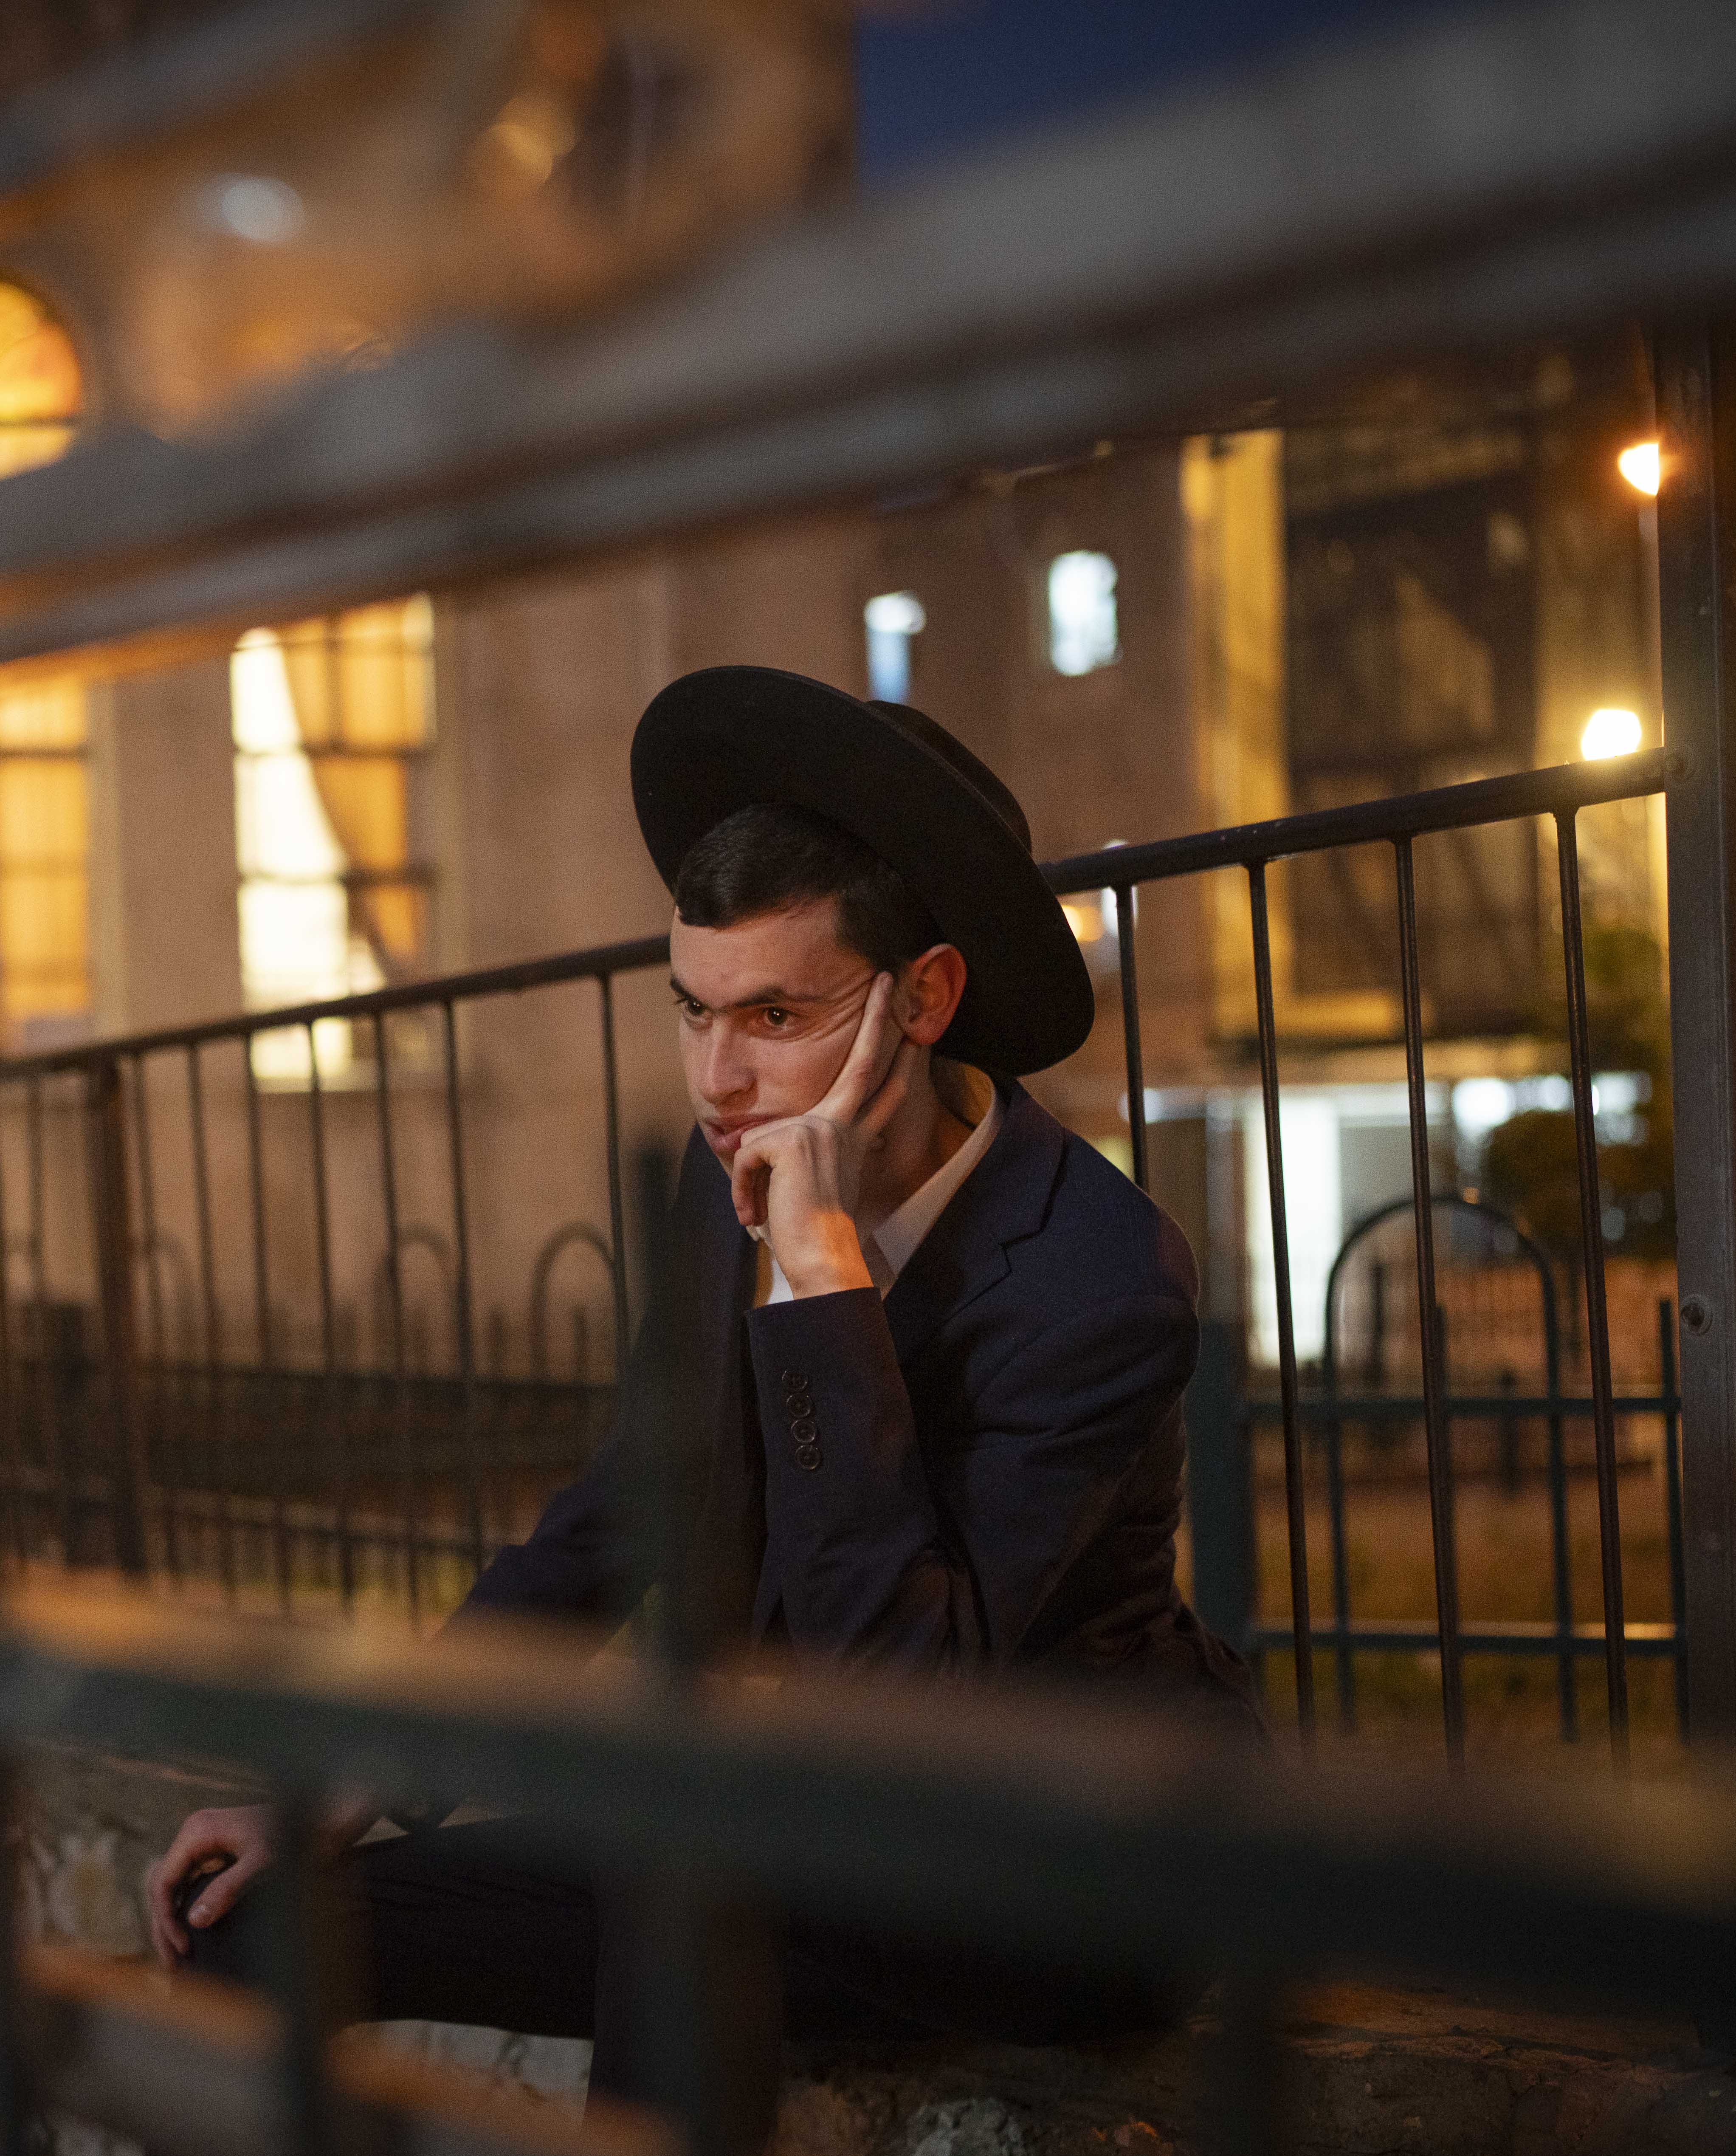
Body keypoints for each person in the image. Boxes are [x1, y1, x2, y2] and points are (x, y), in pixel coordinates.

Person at [141, 664, 1263, 2055]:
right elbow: (633, 1497)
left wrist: (824, 1283)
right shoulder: (722, 1165)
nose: (717, 1081)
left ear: (925, 998)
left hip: (1045, 1882)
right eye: (693, 1010)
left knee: (678, 1927)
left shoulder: (1097, 1276)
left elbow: (908, 1694)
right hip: (778, 1832)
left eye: (776, 1019)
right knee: (257, 1933)